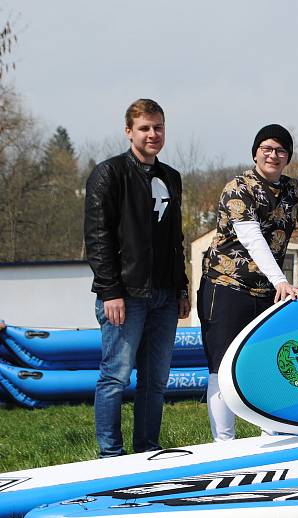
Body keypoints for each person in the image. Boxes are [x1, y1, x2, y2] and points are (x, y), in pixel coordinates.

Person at [198, 124, 298, 441]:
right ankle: (224, 444)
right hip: (227, 285)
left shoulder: (292, 190)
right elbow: (252, 238)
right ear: (256, 152)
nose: (273, 155)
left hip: (268, 292)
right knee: (222, 366)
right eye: (267, 149)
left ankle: (271, 435)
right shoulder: (239, 188)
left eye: (281, 150)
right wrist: (281, 281)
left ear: (288, 157)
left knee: (268, 364)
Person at [84, 98, 190, 457]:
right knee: (115, 376)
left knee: (155, 381)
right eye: (144, 128)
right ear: (129, 131)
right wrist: (110, 290)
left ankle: (147, 451)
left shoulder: (171, 177)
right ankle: (109, 456)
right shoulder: (109, 174)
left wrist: (181, 286)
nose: (152, 134)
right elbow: (98, 238)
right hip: (124, 294)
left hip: (163, 295)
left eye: (158, 127)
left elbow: (175, 239)